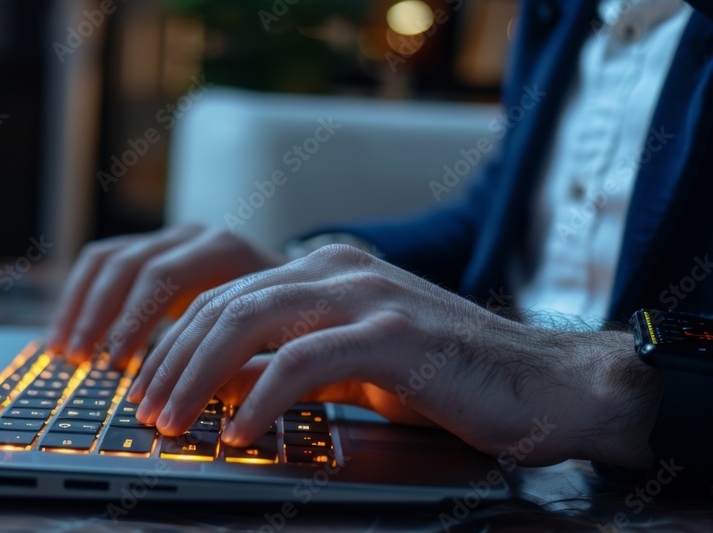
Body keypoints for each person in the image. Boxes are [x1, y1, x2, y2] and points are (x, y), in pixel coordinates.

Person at [46, 0, 713, 486]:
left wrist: (609, 381)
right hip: (468, 446)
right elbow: (494, 218)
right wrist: (309, 268)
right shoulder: (559, 12)